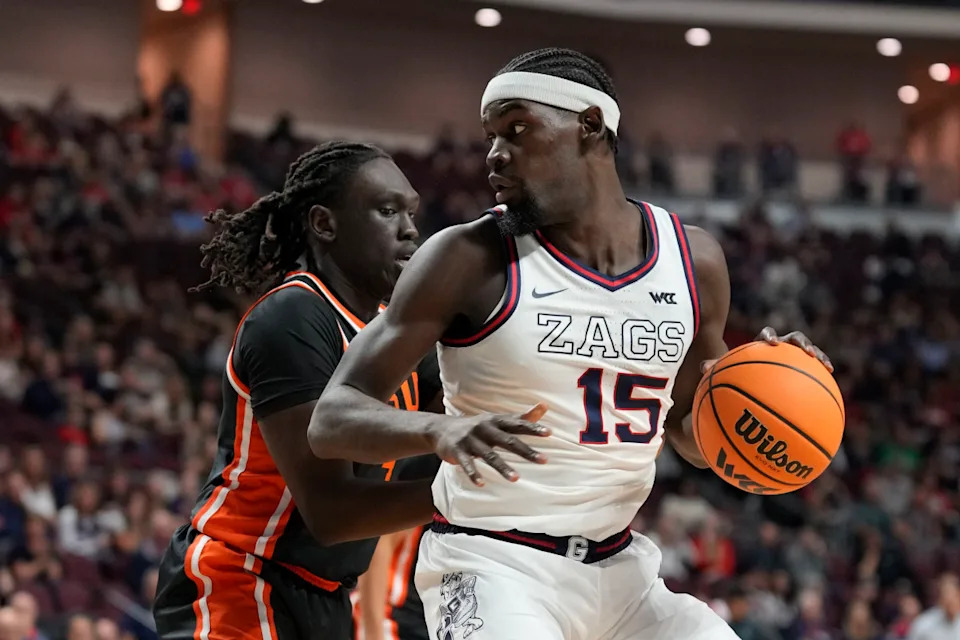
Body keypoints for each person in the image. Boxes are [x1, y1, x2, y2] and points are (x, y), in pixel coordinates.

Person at [310, 48, 833, 640]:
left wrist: (763, 391)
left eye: (517, 129)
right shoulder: (466, 258)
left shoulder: (694, 262)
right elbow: (332, 418)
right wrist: (439, 430)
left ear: (589, 125)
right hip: (491, 564)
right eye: (490, 137)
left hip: (623, 573)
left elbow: (691, 439)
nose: (494, 154)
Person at [153, 141, 445, 639]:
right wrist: (470, 495)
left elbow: (469, 408)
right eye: (386, 210)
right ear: (324, 224)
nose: (409, 229)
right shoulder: (294, 315)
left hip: (325, 594)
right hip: (240, 576)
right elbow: (330, 513)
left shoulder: (394, 334)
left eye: (411, 213)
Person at [353, 455, 441, 640]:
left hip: (441, 617)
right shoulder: (433, 462)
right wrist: (373, 631)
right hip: (397, 615)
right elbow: (379, 542)